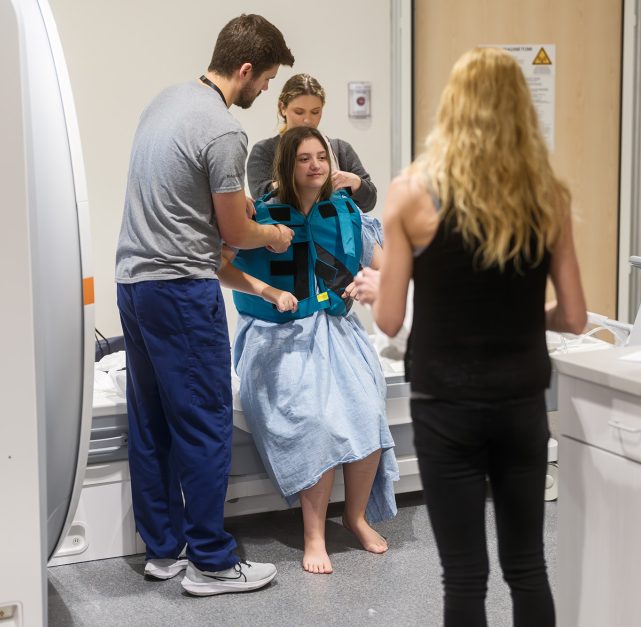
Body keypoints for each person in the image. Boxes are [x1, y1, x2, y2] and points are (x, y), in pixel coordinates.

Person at [352, 47, 587, 625]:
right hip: (520, 403)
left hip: (446, 407)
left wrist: (385, 284)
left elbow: (387, 319)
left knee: (463, 576)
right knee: (528, 565)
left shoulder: (410, 194)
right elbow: (575, 318)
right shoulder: (548, 197)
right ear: (519, 111)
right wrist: (528, 313)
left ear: (452, 109)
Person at [114, 14, 295, 597]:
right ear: (244, 69)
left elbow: (185, 203)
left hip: (134, 282)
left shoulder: (165, 102)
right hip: (180, 290)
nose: (265, 90)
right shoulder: (222, 129)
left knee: (154, 419)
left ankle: (165, 551)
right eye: (265, 80)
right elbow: (235, 232)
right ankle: (213, 562)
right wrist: (270, 235)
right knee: (207, 420)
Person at [224, 125, 399, 575]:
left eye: (321, 156)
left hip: (337, 331)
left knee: (367, 411)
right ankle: (314, 534)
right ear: (287, 164)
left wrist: (373, 283)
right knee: (316, 420)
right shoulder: (261, 217)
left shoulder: (343, 212)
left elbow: (386, 268)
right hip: (277, 336)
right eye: (304, 158)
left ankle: (355, 517)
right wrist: (267, 293)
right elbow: (220, 266)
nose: (316, 165)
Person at [246, 73, 377, 211]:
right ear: (282, 108)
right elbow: (262, 197)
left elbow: (369, 201)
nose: (307, 120)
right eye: (299, 112)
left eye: (315, 112)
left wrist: (356, 183)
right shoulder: (264, 151)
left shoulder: (341, 149)